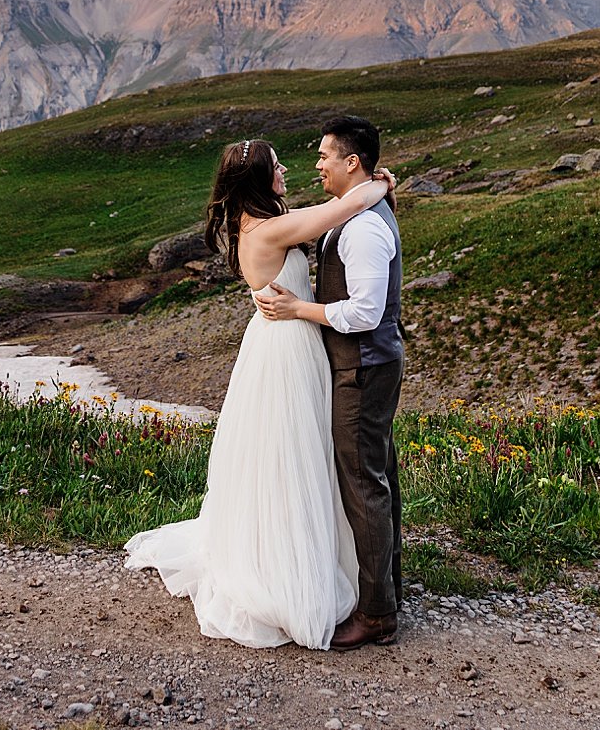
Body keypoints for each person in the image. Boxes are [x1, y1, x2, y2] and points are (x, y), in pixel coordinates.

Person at [123, 137, 394, 650]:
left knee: (292, 458)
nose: (287, 169)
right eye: (277, 165)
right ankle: (292, 573)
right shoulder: (269, 231)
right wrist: (380, 182)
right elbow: (346, 205)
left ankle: (315, 559)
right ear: (260, 180)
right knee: (293, 458)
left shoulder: (258, 224)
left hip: (284, 343)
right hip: (287, 349)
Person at [253, 114, 404, 652]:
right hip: (365, 364)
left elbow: (364, 312)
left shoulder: (362, 227)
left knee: (363, 483)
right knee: (376, 474)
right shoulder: (356, 210)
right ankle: (386, 590)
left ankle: (377, 614)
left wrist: (299, 308)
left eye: (323, 156)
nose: (316, 164)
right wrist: (381, 185)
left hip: (362, 365)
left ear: (351, 162)